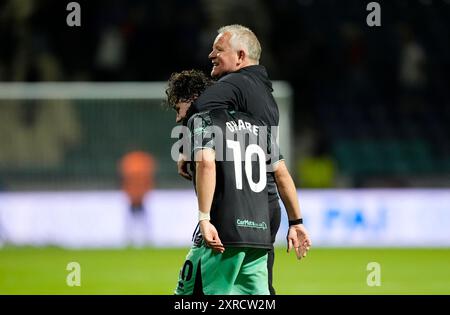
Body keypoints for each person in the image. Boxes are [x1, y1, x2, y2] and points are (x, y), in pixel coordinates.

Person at [176, 24, 311, 294]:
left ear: (240, 56)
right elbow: (280, 169)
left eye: (218, 49)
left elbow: (198, 109)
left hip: (236, 204)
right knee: (258, 290)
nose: (210, 54)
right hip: (262, 207)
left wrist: (185, 147)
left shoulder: (236, 83)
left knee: (200, 292)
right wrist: (296, 222)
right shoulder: (264, 96)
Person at [167, 70, 277, 295]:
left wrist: (204, 219)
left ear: (194, 98)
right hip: (258, 230)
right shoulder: (254, 124)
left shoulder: (204, 123)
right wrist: (297, 221)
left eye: (179, 108)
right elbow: (281, 173)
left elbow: (207, 163)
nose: (178, 118)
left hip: (221, 230)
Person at [119, 150, 156, 247]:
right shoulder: (141, 164)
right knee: (137, 218)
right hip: (136, 197)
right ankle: (132, 237)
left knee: (139, 218)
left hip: (137, 197)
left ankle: (140, 237)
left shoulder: (131, 164)